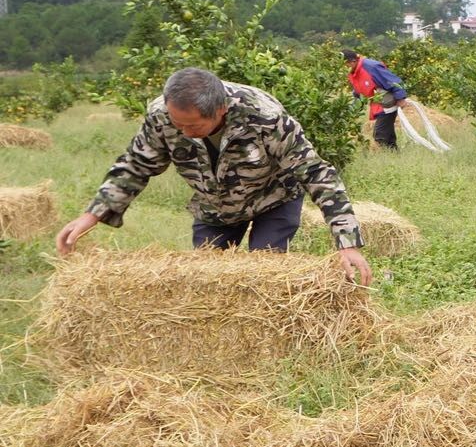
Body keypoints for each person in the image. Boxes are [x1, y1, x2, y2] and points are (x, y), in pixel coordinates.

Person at [55, 67, 372, 285]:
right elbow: (136, 165)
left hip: (274, 198)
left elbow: (317, 173)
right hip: (214, 206)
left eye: (192, 126)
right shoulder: (162, 116)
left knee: (264, 273)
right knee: (206, 279)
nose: (182, 132)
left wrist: (346, 243)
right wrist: (91, 216)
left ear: (220, 109)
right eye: (177, 124)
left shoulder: (264, 117)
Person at [343, 49, 409, 150]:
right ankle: (393, 154)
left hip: (387, 102)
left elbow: (393, 81)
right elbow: (358, 92)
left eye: (345, 64)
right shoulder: (353, 72)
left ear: (352, 61)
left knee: (380, 134)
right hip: (377, 104)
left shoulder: (371, 66)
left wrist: (400, 98)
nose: (344, 68)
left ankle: (382, 156)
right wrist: (352, 111)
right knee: (389, 134)